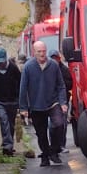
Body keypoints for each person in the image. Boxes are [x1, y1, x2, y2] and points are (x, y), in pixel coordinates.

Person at [19, 39, 69, 167]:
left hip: (53, 102)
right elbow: (23, 88)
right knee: (41, 133)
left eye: (44, 51)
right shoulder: (28, 67)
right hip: (36, 105)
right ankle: (45, 156)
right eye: (39, 52)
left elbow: (61, 85)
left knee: (58, 124)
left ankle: (53, 150)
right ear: (34, 52)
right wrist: (23, 107)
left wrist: (63, 102)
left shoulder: (53, 65)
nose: (42, 54)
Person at [50, 49, 73, 156]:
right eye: (52, 58)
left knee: (62, 123)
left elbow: (69, 84)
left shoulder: (64, 70)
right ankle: (53, 145)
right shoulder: (46, 69)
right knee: (52, 125)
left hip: (63, 100)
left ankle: (61, 145)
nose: (55, 60)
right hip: (51, 101)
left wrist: (61, 85)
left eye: (56, 58)